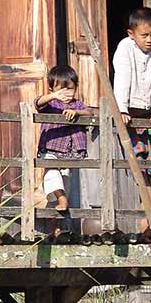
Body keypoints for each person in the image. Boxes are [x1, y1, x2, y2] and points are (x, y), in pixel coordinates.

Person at [113, 6, 151, 239]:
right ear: (131, 34)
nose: (149, 40)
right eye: (144, 35)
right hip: (130, 113)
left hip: (148, 113)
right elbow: (122, 79)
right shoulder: (125, 48)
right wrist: (121, 110)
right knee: (138, 166)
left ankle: (147, 223)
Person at [34, 63, 88, 215]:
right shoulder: (50, 103)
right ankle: (61, 198)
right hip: (50, 147)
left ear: (76, 87)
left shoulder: (77, 104)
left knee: (66, 180)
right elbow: (37, 103)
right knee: (51, 173)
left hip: (70, 151)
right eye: (61, 89)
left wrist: (77, 113)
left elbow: (90, 113)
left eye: (70, 88)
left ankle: (57, 224)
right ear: (51, 88)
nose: (65, 93)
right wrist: (53, 96)